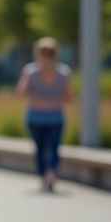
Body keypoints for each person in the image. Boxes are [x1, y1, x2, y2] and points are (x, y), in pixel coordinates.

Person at [16, 37, 71, 192]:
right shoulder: (63, 72)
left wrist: (39, 99)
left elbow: (21, 92)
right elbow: (68, 97)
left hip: (37, 116)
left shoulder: (31, 71)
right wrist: (53, 100)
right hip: (54, 116)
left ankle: (44, 176)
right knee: (53, 148)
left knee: (41, 149)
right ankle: (50, 173)